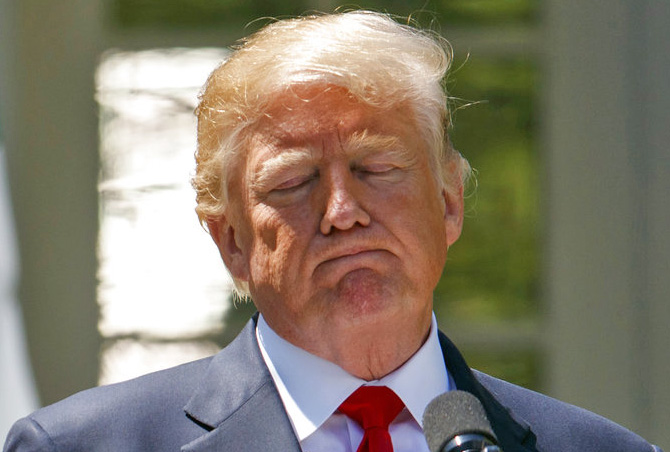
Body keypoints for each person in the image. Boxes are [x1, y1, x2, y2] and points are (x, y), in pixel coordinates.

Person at [3, 10, 662, 452]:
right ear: (231, 241)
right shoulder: (81, 446)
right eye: (293, 183)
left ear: (448, 202)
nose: (342, 210)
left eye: (378, 168)